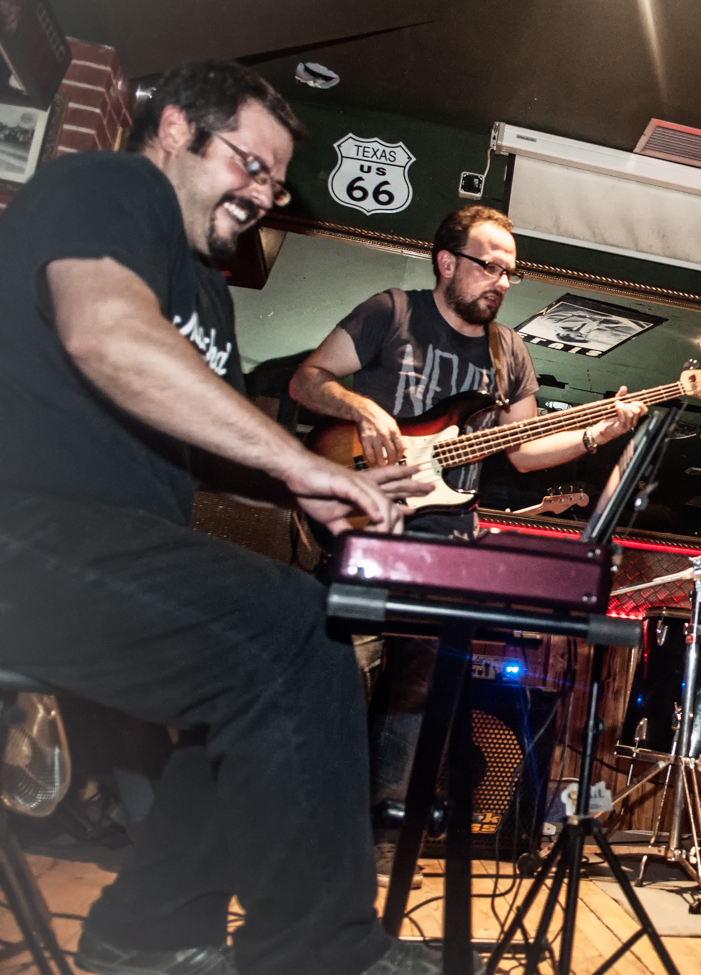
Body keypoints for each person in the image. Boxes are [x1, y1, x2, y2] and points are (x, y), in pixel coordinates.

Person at [0, 60, 456, 975]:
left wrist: (307, 490)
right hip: (25, 533)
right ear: (175, 128)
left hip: (108, 556)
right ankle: (323, 952)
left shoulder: (206, 290)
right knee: (292, 634)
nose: (262, 195)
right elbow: (105, 334)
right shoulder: (109, 186)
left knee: (274, 662)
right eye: (251, 165)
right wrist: (294, 459)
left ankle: (151, 929)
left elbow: (207, 449)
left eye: (276, 184)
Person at [289, 204, 646, 884]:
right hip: (366, 526)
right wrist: (364, 408)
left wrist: (599, 432)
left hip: (445, 544)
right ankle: (302, 832)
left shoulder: (509, 351)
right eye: (489, 266)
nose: (501, 282)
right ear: (447, 262)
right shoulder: (392, 311)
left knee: (417, 697)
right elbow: (308, 381)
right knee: (333, 680)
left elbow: (526, 450)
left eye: (510, 272)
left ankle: (382, 846)